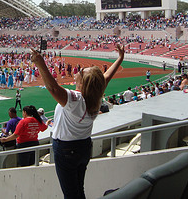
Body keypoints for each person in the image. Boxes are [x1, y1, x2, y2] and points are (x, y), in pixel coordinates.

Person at [30, 44, 124, 199]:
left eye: (81, 72)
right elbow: (105, 77)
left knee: (71, 194)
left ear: (84, 83)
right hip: (83, 147)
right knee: (78, 188)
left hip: (66, 149)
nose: (78, 72)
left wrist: (40, 63)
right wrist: (120, 58)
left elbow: (53, 89)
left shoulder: (75, 100)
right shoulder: (95, 94)